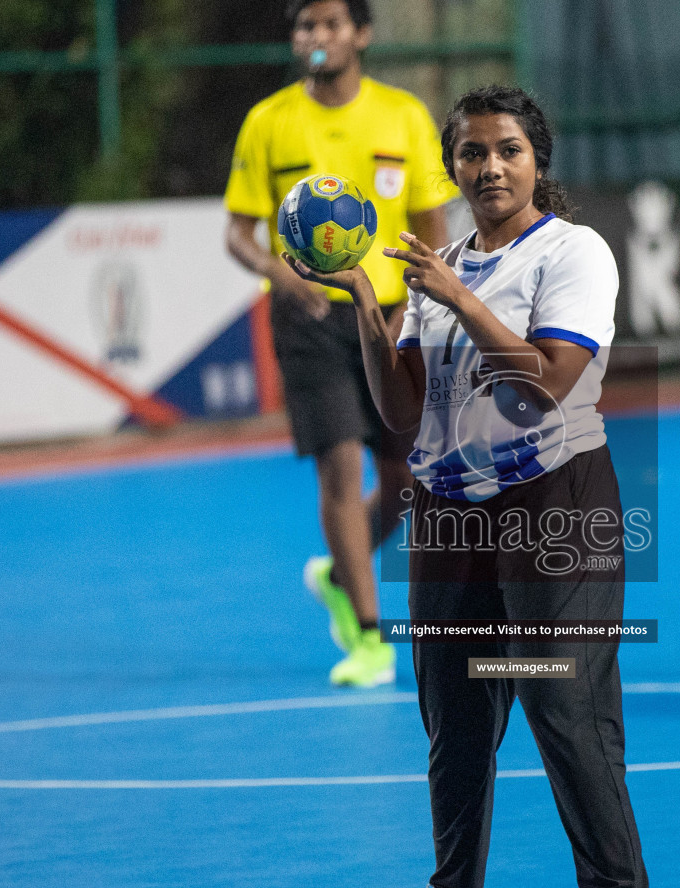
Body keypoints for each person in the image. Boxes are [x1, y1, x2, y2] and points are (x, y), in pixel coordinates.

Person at [284, 84, 669, 888]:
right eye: (471, 154)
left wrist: (457, 296)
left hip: (554, 506)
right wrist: (366, 307)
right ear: (451, 167)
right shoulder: (437, 263)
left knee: (561, 704)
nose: (488, 167)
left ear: (539, 160)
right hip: (452, 517)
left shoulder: (574, 254)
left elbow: (544, 383)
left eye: (507, 151)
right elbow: (401, 413)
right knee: (453, 713)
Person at [223, 0, 456, 688]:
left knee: (410, 483)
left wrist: (430, 307)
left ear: (361, 34)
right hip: (307, 313)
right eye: (303, 25)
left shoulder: (403, 115)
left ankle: (336, 571)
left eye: (329, 23)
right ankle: (366, 635)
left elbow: (430, 224)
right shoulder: (269, 121)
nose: (315, 36)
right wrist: (276, 273)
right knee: (338, 467)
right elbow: (237, 231)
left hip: (390, 312)